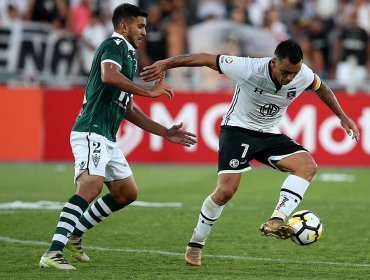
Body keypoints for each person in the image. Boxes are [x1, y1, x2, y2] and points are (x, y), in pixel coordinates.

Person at [140, 39, 360, 266]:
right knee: (226, 191)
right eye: (285, 72)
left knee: (307, 166)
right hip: (238, 131)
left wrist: (342, 116)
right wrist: (167, 63)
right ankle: (196, 243)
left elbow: (321, 88)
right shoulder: (248, 68)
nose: (289, 79)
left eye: (293, 74)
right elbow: (206, 59)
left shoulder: (302, 74)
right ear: (274, 62)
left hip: (269, 134)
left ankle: (277, 219)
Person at [39, 3, 196, 270]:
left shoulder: (130, 55)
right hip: (91, 130)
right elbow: (108, 75)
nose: (144, 31)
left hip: (106, 137)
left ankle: (76, 232)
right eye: (140, 26)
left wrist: (165, 132)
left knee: (126, 192)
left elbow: (128, 108)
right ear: (124, 26)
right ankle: (52, 252)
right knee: (90, 187)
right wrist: (148, 91)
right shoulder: (114, 45)